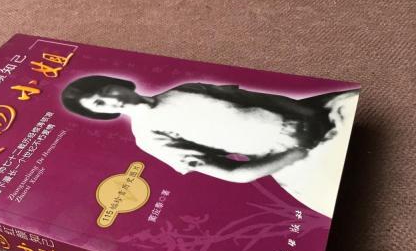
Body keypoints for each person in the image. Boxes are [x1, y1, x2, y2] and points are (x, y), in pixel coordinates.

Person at [61, 75, 359, 216]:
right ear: (101, 113)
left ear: (116, 82)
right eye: (99, 103)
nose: (110, 99)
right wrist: (297, 152)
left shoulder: (186, 88)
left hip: (312, 117)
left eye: (105, 89)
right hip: (294, 159)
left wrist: (308, 113)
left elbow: (258, 99)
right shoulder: (149, 137)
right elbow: (233, 173)